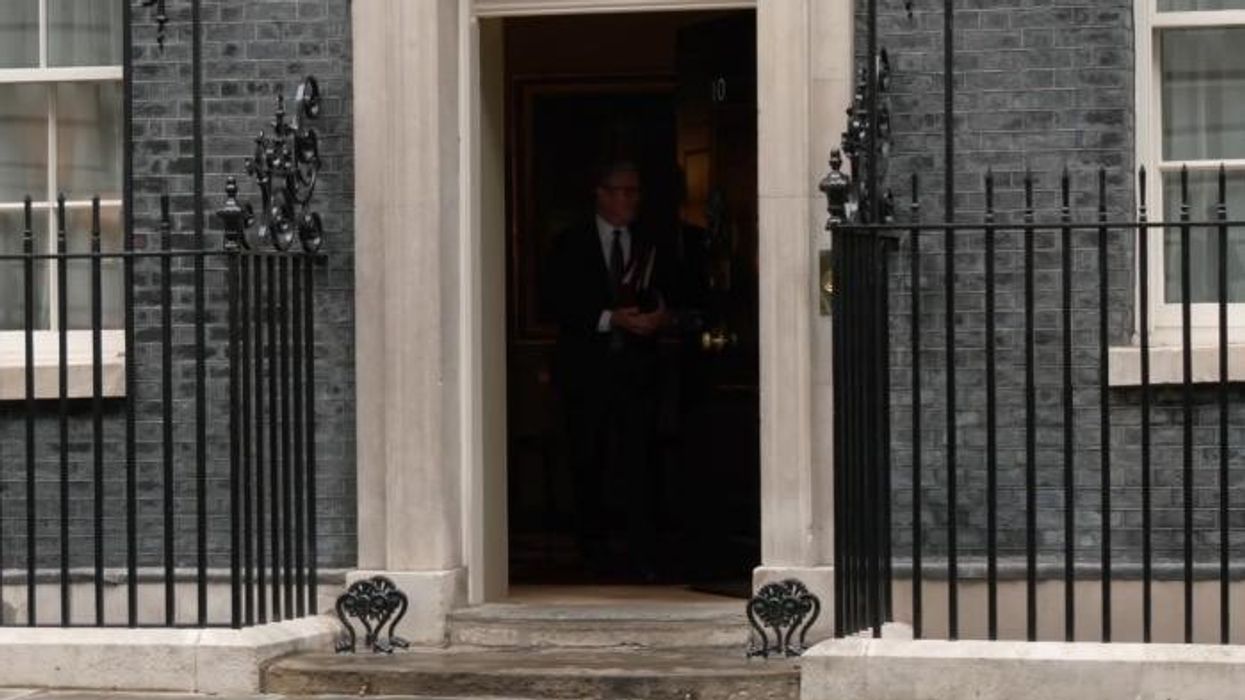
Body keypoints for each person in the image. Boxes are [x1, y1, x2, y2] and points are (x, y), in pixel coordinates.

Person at [549, 161, 671, 581]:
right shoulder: (570, 243)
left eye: (635, 192)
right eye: (621, 191)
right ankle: (593, 554)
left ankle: (644, 554)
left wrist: (660, 318)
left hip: (640, 376)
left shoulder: (654, 241)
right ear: (600, 194)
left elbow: (674, 292)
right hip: (587, 376)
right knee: (588, 463)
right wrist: (610, 318)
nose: (629, 200)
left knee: (641, 464)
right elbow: (559, 303)